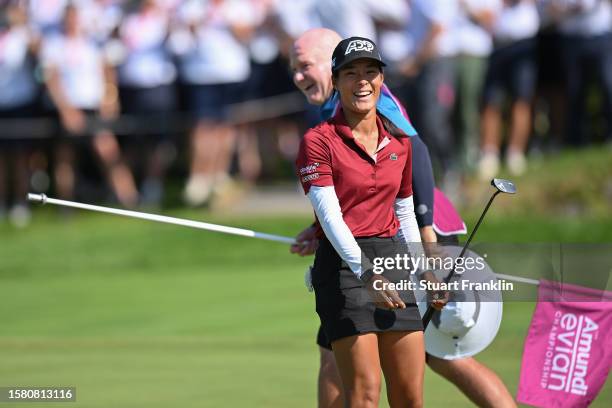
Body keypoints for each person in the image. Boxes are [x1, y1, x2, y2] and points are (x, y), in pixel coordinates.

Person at [290, 28, 516, 408]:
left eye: (304, 66)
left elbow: (417, 160)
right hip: (358, 260)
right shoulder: (324, 126)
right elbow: (342, 199)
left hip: (413, 239)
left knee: (441, 356)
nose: (298, 76)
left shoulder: (382, 109)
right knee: (346, 364)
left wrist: (426, 249)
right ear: (339, 74)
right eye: (293, 68)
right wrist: (319, 230)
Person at [296, 35, 445, 407]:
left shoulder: (399, 142)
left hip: (393, 258)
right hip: (346, 269)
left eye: (370, 72)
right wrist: (366, 273)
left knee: (410, 396)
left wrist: (426, 270)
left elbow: (404, 211)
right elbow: (330, 218)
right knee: (364, 396)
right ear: (337, 80)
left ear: (381, 79)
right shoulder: (318, 140)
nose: (362, 81)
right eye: (351, 73)